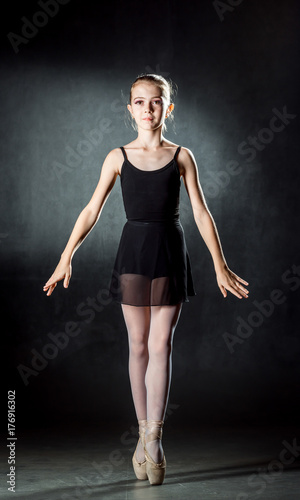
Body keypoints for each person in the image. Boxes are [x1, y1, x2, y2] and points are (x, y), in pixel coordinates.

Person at [43, 73, 249, 486]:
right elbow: (90, 210)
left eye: (156, 102)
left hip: (170, 250)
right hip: (133, 252)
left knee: (161, 343)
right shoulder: (117, 157)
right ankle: (142, 434)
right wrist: (66, 256)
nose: (148, 109)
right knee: (138, 345)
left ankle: (154, 439)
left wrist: (219, 264)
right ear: (130, 108)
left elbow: (201, 213)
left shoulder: (182, 156)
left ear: (167, 108)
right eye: (140, 102)